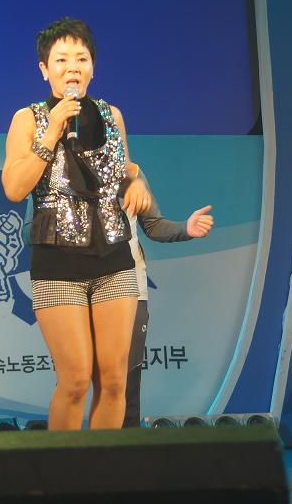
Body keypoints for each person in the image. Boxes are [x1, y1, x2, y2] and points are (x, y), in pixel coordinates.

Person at [2, 17, 154, 430]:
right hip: (58, 264)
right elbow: (14, 188)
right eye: (62, 59)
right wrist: (52, 131)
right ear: (44, 69)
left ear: (93, 68)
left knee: (115, 380)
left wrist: (137, 181)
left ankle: (100, 465)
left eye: (81, 58)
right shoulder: (29, 118)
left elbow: (122, 170)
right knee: (74, 380)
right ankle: (63, 466)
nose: (73, 67)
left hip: (114, 259)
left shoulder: (112, 115)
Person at [116, 175, 214, 427]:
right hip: (78, 289)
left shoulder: (131, 172)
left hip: (130, 287)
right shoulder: (56, 167)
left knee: (127, 381)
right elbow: (31, 230)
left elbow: (153, 225)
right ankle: (75, 448)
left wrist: (185, 228)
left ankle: (124, 445)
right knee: (77, 380)